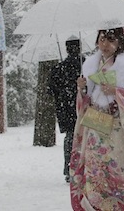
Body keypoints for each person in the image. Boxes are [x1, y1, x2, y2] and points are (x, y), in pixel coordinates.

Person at [72, 27, 124, 210]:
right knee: (95, 172)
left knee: (119, 173)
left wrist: (116, 92)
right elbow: (86, 102)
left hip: (118, 130)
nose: (105, 44)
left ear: (120, 43)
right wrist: (83, 89)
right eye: (102, 39)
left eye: (110, 40)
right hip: (96, 127)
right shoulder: (91, 65)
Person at [48, 36, 83, 183]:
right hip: (84, 107)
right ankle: (84, 166)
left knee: (70, 138)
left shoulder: (59, 68)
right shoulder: (86, 65)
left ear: (67, 48)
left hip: (66, 109)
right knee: (85, 137)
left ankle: (69, 167)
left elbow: (51, 90)